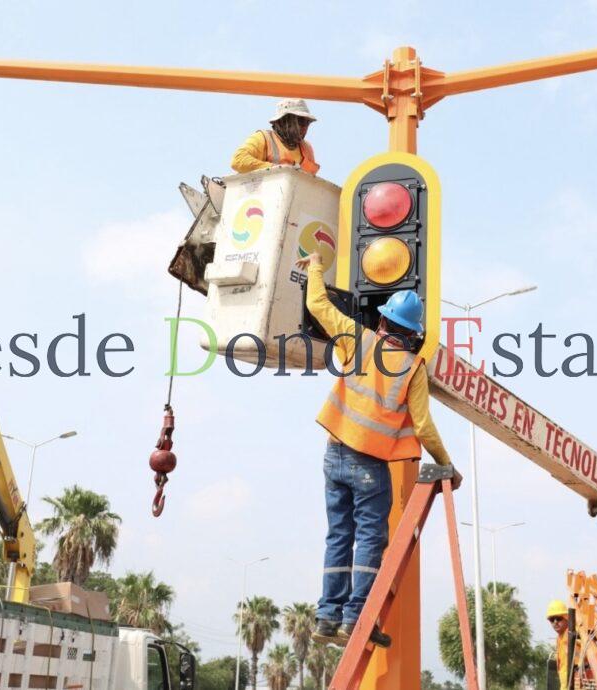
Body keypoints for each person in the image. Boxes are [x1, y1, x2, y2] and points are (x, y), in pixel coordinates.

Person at [297, 251, 461, 649]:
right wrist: (447, 465)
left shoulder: (360, 339)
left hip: (334, 454)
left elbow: (317, 304)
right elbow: (423, 425)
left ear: (384, 320)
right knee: (370, 538)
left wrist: (316, 266)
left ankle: (326, 617)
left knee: (338, 534)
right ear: (414, 332)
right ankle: (356, 620)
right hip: (370, 463)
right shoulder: (413, 368)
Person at [230, 98, 320, 174]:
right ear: (284, 121)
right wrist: (276, 170)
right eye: (300, 121)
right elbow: (238, 160)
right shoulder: (263, 138)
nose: (304, 127)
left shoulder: (307, 149)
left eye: (307, 122)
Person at [547, 600, 580, 690]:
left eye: (558, 618)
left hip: (576, 684)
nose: (555, 622)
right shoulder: (559, 638)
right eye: (552, 619)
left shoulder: (572, 633)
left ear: (566, 617)